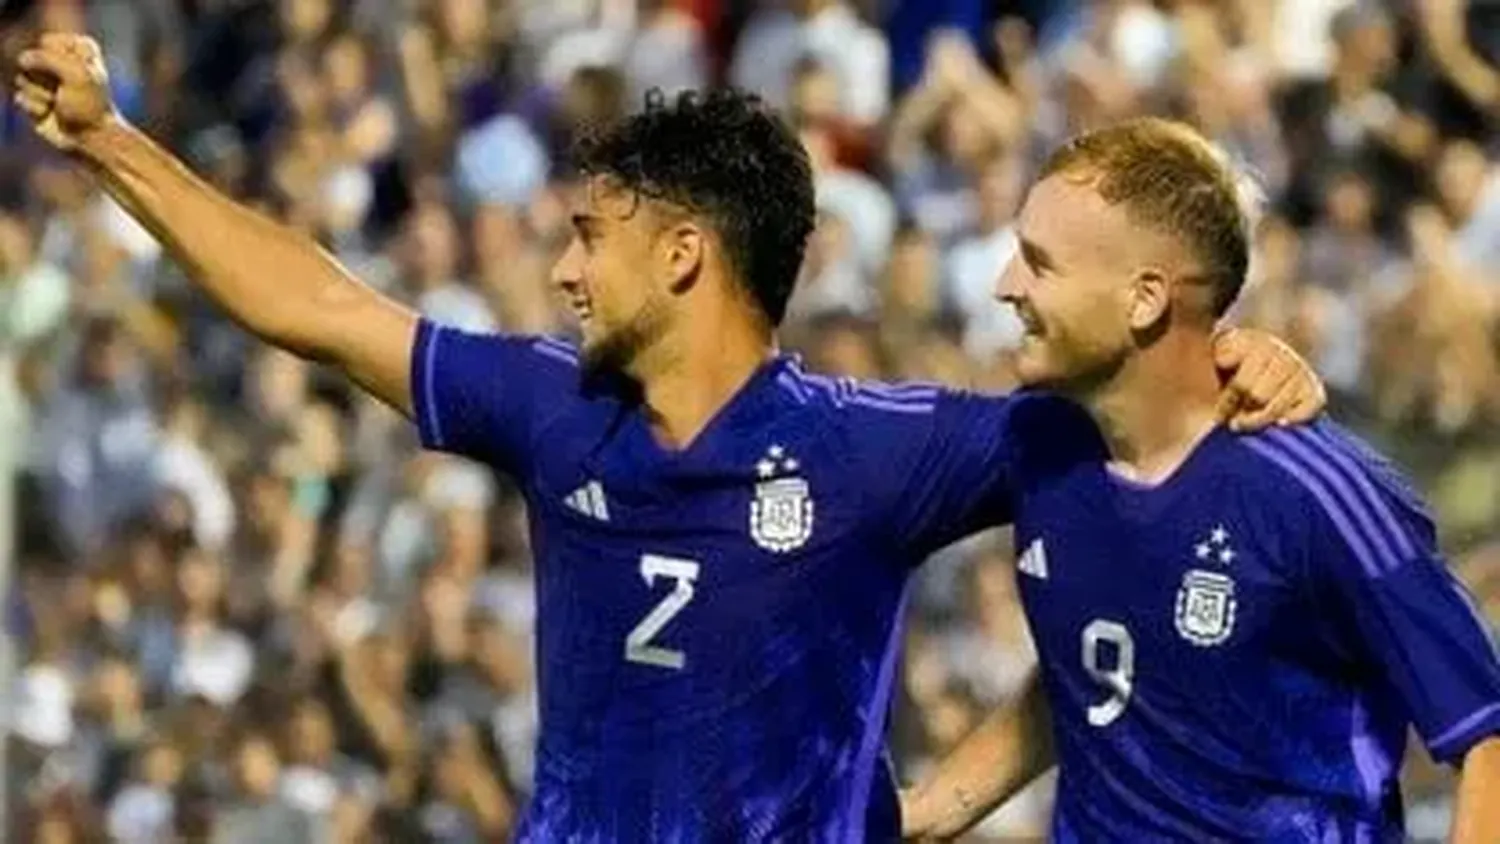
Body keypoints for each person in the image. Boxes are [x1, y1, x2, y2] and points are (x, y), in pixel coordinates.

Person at [11, 34, 1323, 840]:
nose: (567, 275)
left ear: (686, 252)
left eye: (593, 237)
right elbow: (320, 307)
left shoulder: (880, 452)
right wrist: (110, 141)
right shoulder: (549, 406)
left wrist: (1233, 363)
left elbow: (1133, 504)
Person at [899, 118, 1500, 841]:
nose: (1005, 285)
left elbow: (1486, 738)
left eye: (1038, 261)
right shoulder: (1042, 444)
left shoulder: (1320, 494)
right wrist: (932, 811)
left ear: (1145, 300)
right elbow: (1100, 673)